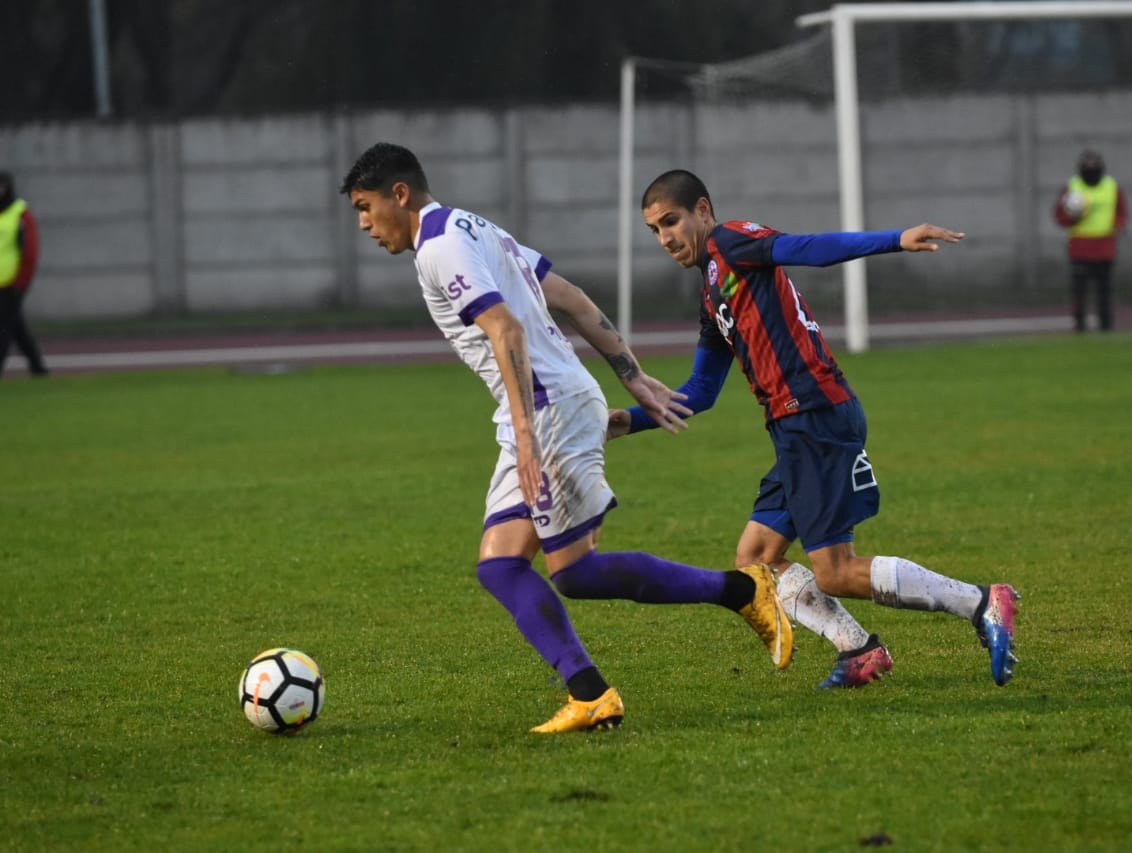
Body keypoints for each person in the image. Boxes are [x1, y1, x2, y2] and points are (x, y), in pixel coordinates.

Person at [339, 143, 792, 734]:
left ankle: (738, 592)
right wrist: (632, 376)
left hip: (546, 412)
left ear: (399, 194)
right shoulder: (478, 229)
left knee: (571, 571)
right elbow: (572, 299)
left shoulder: (441, 247)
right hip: (542, 409)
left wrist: (528, 434)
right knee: (502, 566)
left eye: (366, 207)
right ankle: (594, 692)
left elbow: (503, 328)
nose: (365, 225)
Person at [610, 168, 1021, 689]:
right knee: (756, 557)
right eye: (655, 229)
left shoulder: (733, 241)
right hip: (795, 425)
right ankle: (859, 650)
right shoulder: (712, 290)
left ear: (704, 211)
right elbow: (700, 392)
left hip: (813, 414)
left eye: (671, 221)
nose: (666, 237)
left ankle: (982, 601)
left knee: (835, 571)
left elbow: (808, 247)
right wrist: (626, 422)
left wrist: (895, 240)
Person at [1053, 149, 1128, 332]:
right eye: (1087, 165)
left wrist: (1117, 226)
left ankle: (1106, 325)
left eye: (1094, 165)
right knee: (1079, 291)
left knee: (1105, 290)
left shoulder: (1111, 186)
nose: (1091, 168)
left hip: (1104, 246)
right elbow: (1060, 216)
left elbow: (1122, 213)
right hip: (1080, 246)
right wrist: (1075, 216)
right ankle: (1079, 325)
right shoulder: (1072, 187)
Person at [0, 171, 50, 379]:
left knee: (3, 328)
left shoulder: (20, 213)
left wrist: (21, 283)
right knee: (16, 326)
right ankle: (37, 366)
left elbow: (29, 251)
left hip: (12, 283)